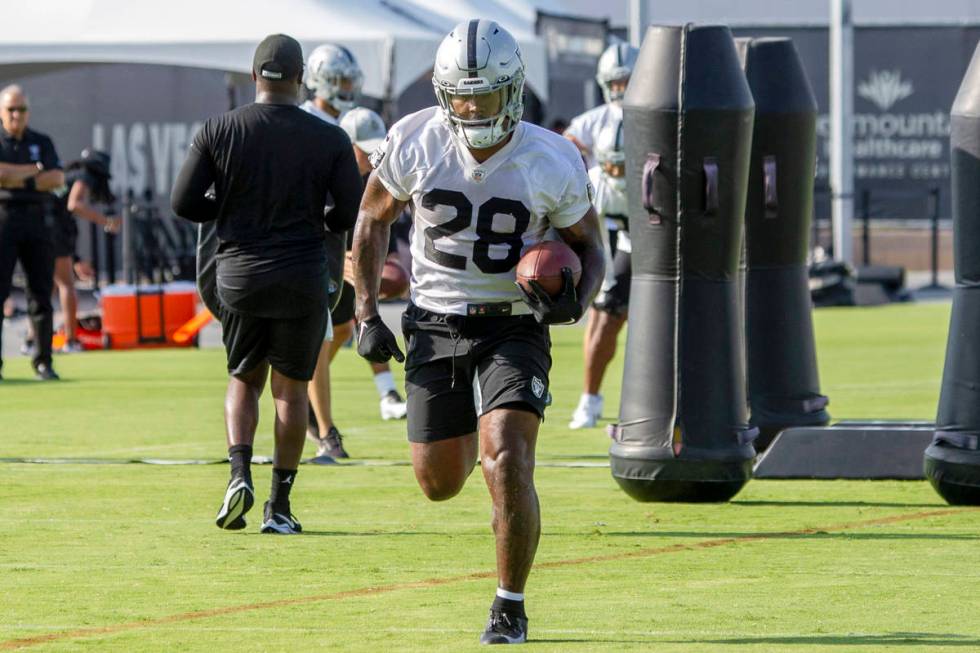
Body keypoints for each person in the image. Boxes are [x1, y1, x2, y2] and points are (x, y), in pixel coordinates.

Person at [351, 20, 604, 644]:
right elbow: (369, 223)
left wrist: (576, 298)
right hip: (434, 321)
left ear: (512, 90)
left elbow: (589, 246)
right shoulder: (415, 138)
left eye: (484, 95)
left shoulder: (551, 155)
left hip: (513, 323)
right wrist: (364, 313)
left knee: (507, 459)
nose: (470, 108)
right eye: (460, 96)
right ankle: (466, 435)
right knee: (438, 482)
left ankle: (508, 604)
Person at [171, 34, 361, 534]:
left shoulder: (219, 128)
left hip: (238, 276)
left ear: (255, 77)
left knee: (243, 378)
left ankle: (238, 474)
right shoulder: (330, 139)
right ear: (301, 79)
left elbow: (184, 202)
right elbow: (347, 212)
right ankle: (279, 506)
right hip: (301, 276)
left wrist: (230, 210)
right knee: (290, 392)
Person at [299, 44, 383, 461]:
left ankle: (305, 392)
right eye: (341, 82)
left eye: (352, 82)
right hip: (315, 236)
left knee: (343, 328)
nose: (348, 89)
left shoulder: (349, 122)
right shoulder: (306, 123)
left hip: (341, 233)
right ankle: (324, 427)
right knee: (322, 334)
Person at [0, 85, 65, 381]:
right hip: (4, 219)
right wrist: (34, 172)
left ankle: (43, 361)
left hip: (38, 221)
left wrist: (16, 177)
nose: (17, 114)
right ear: (2, 112)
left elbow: (56, 178)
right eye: (11, 109)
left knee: (40, 294)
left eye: (22, 109)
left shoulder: (42, 141)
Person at [570, 120, 630, 428]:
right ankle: (589, 400)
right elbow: (595, 241)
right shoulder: (595, 181)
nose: (617, 172)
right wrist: (604, 281)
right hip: (622, 245)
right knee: (605, 316)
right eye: (611, 165)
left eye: (623, 166)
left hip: (663, 253)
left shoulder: (655, 177)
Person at [53, 149, 120, 352]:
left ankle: (33, 340)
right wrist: (105, 221)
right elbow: (75, 204)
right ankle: (71, 341)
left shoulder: (72, 174)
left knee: (45, 288)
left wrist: (75, 259)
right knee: (66, 285)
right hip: (52, 229)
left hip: (43, 227)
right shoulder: (84, 175)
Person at [563, 42, 638, 169]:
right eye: (616, 83)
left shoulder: (651, 117)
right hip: (602, 186)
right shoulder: (594, 119)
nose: (621, 88)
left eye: (626, 81)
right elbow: (567, 142)